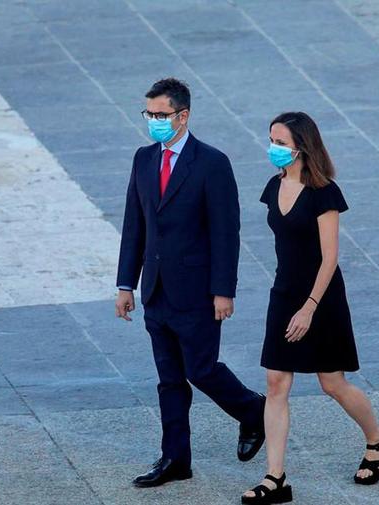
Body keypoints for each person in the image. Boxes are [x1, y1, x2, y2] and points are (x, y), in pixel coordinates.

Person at [242, 112, 379, 505]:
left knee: (332, 383)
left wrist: (310, 307)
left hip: (321, 299)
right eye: (271, 140)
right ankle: (275, 478)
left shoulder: (323, 192)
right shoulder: (273, 186)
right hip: (284, 295)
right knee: (276, 384)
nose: (273, 148)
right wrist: (293, 303)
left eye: (280, 142)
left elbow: (330, 258)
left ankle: (378, 440)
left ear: (301, 146)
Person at [115, 78, 266, 488]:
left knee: (200, 369)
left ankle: (253, 411)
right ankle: (175, 458)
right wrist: (125, 284)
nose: (154, 122)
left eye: (162, 115)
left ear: (183, 116)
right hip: (156, 290)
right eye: (149, 114)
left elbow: (225, 232)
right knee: (168, 379)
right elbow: (135, 225)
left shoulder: (211, 163)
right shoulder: (143, 159)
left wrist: (224, 291)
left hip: (198, 292)